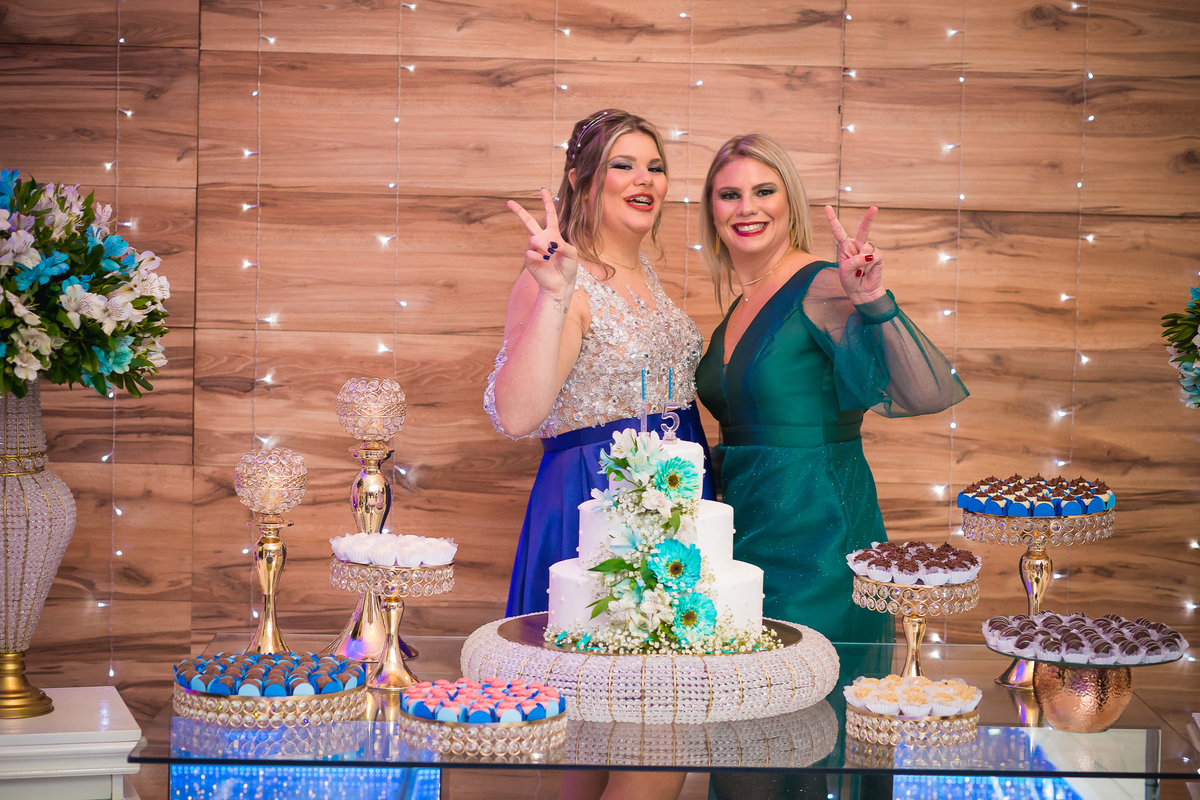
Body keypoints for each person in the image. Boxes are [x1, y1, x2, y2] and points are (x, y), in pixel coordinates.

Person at [485, 108, 711, 800]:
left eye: (655, 166)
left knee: (602, 750)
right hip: (596, 511)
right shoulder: (559, 275)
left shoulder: (648, 277)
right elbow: (517, 414)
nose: (645, 179)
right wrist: (556, 295)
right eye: (623, 164)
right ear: (583, 179)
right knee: (625, 746)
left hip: (675, 515)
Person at [694, 133, 968, 645]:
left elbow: (926, 394)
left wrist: (872, 297)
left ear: (790, 203)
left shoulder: (822, 286)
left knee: (810, 680)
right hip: (741, 536)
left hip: (817, 535)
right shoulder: (739, 306)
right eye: (730, 195)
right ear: (713, 210)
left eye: (764, 191)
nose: (746, 207)